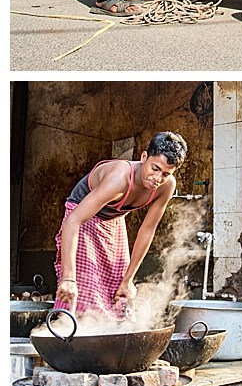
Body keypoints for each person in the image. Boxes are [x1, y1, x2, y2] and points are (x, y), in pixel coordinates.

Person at [55, 131, 187, 316]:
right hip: (82, 217)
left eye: (165, 174)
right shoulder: (119, 178)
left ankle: (110, 339)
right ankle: (69, 334)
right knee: (85, 290)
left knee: (119, 293)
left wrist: (128, 280)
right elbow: (73, 221)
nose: (157, 178)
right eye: (155, 168)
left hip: (114, 221)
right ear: (143, 157)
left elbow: (147, 230)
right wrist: (68, 278)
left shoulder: (166, 186)